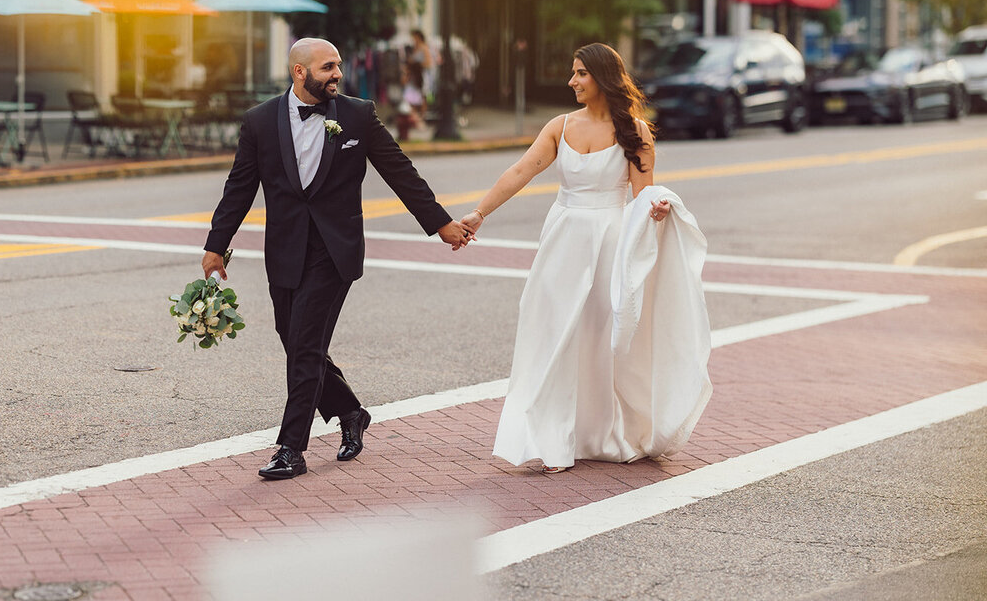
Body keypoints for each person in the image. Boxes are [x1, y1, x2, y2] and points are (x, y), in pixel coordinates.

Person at [202, 37, 473, 480]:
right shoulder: (260, 122)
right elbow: (239, 187)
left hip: (335, 249)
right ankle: (350, 411)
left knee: (305, 344)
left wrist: (440, 224)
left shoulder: (356, 116)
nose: (338, 74)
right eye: (327, 67)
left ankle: (291, 448)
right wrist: (216, 245)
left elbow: (399, 170)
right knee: (293, 338)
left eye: (339, 66)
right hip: (286, 249)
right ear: (299, 72)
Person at [461, 43, 711, 474]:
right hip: (563, 240)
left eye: (580, 74)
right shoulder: (560, 126)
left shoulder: (635, 131)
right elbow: (522, 170)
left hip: (612, 242)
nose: (572, 81)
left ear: (602, 78)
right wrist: (479, 212)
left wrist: (656, 209)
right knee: (551, 330)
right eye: (572, 73)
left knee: (598, 337)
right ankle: (552, 436)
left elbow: (643, 195)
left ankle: (598, 433)